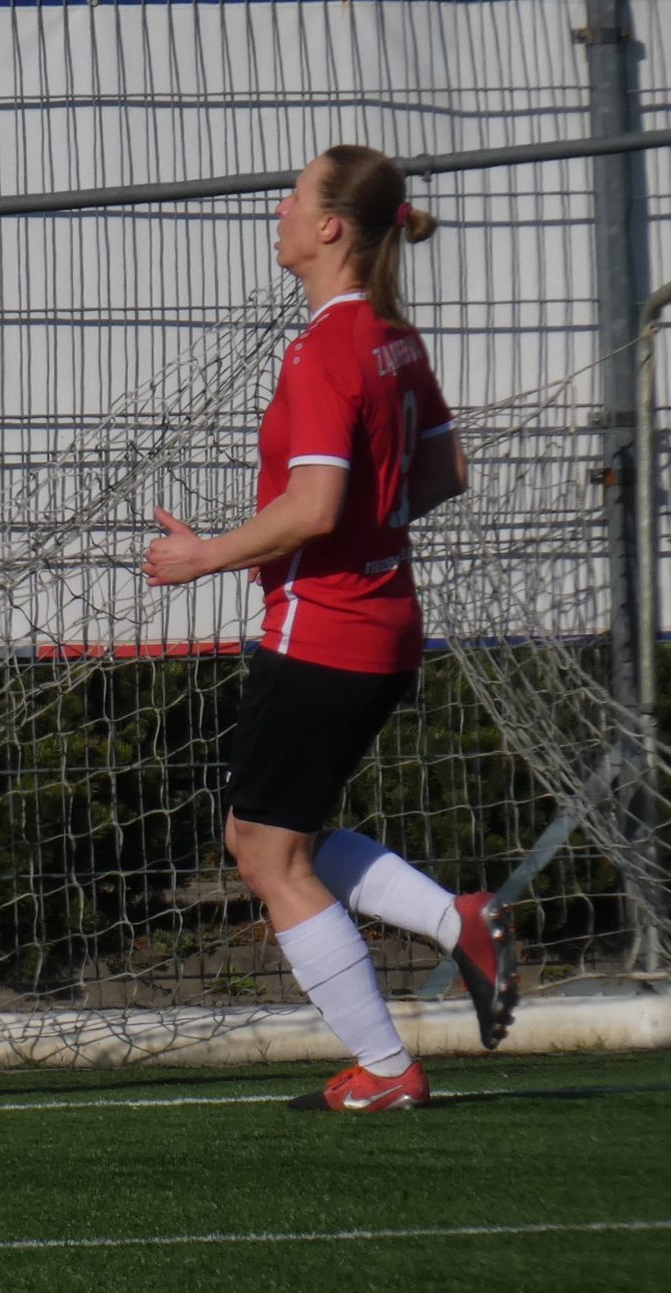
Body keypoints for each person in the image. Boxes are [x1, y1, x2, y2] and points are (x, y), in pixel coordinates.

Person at [142, 144, 519, 1113]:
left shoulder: (325, 349)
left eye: (294, 195)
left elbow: (313, 508)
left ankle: (387, 1070)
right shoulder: (395, 339)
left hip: (323, 634)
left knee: (268, 856)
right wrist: (361, 533)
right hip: (384, 625)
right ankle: (457, 919)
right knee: (266, 833)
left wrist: (204, 555)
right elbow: (442, 475)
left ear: (329, 227)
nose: (278, 208)